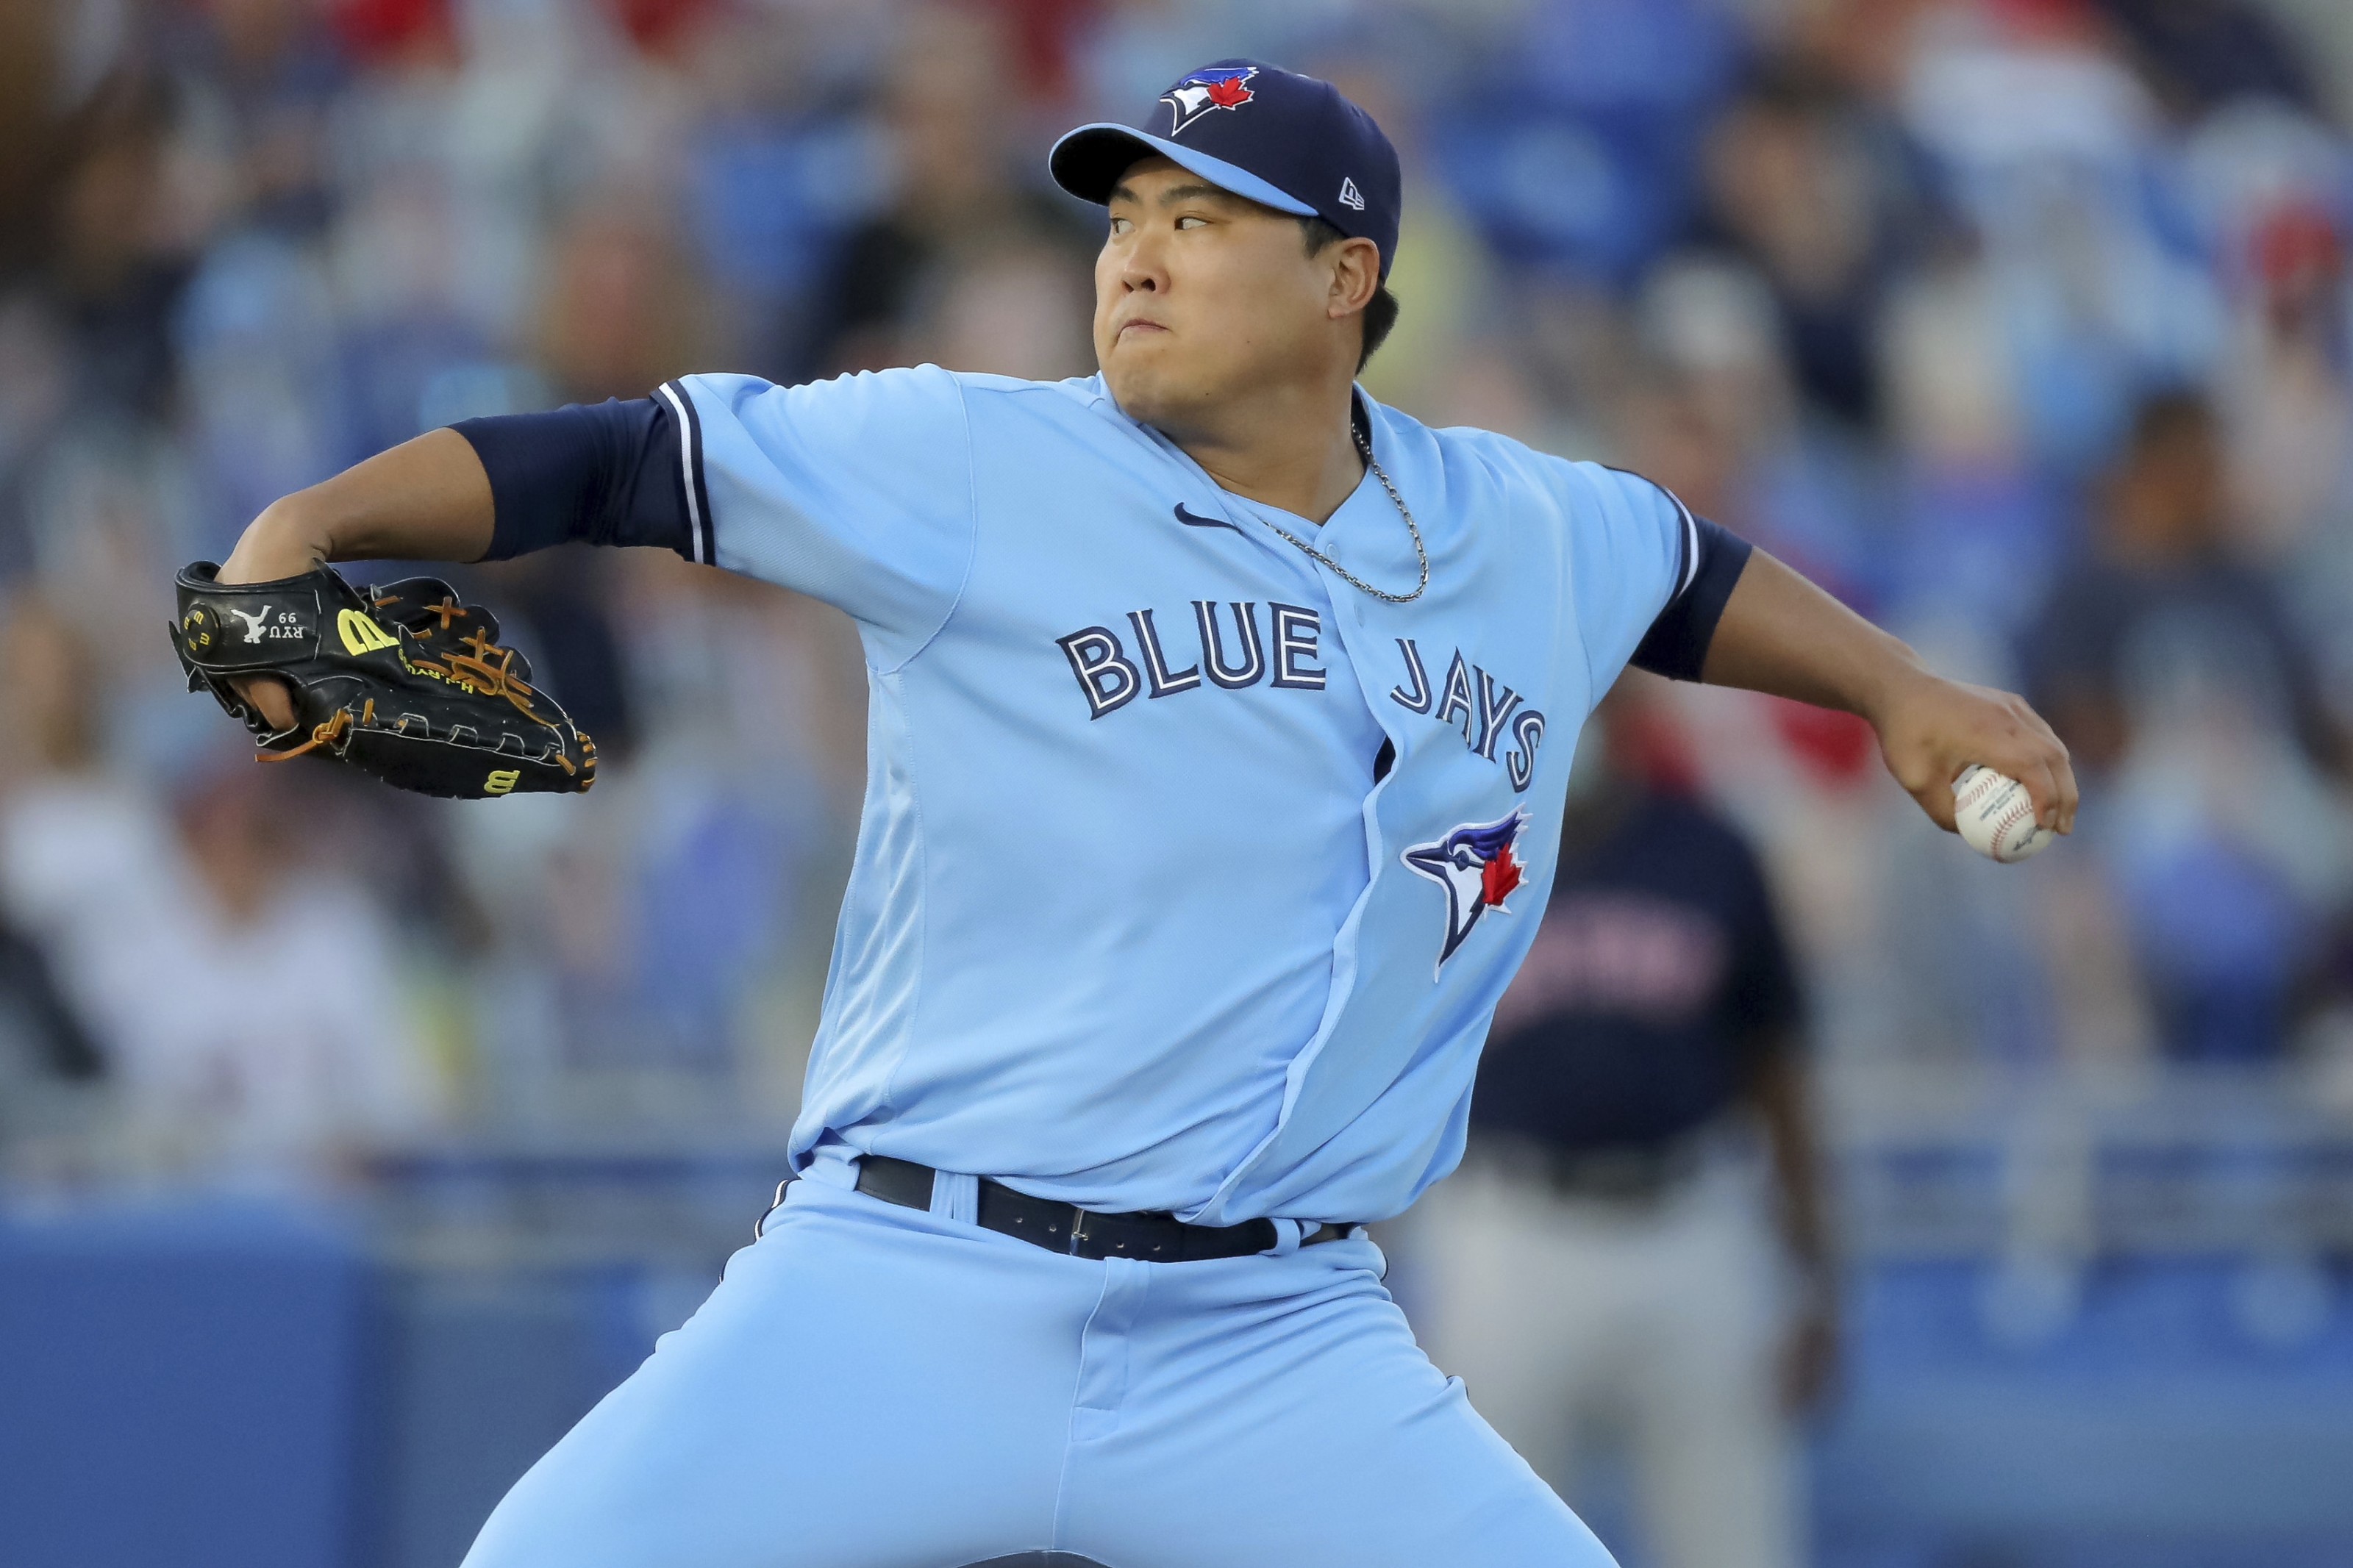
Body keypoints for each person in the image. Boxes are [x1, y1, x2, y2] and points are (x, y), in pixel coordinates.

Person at [207, 60, 2072, 1568]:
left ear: (1343, 279)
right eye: (1122, 219)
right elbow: (630, 458)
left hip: (1275, 1340)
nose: (1137, 259)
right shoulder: (970, 457)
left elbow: (1680, 569)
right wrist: (310, 526)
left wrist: (1899, 689)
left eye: (1200, 219)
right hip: (909, 1279)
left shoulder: (1516, 523)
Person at [1416, 681, 1829, 1568]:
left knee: (1734, 1546)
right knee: (1485, 1544)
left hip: (1691, 1222)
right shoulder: (1453, 855)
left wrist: (1813, 1277)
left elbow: (1777, 1072)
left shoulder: (1710, 852)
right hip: (1509, 1226)